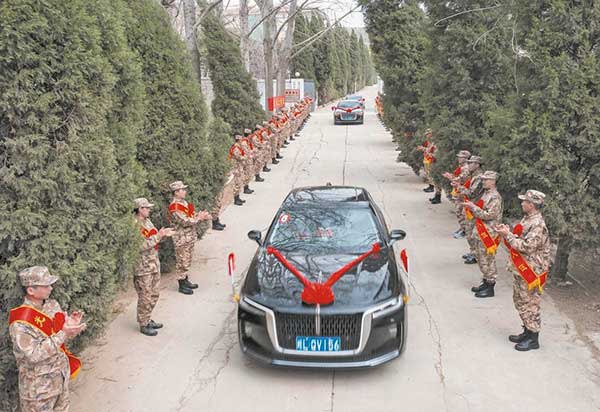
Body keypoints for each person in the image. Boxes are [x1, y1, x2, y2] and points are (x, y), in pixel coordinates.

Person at [9, 266, 86, 412]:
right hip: (39, 391)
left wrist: (71, 326)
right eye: (46, 285)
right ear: (31, 290)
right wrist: (64, 333)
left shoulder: (52, 305)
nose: (51, 288)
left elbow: (60, 338)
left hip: (60, 378)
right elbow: (34, 355)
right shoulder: (21, 321)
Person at [495, 190, 551, 351]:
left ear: (531, 205)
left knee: (530, 303)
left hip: (531, 270)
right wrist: (509, 233)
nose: (522, 203)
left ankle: (533, 338)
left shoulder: (538, 224)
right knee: (520, 300)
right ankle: (527, 331)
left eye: (524, 201)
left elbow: (527, 246)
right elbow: (521, 238)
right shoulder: (528, 219)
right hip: (523, 268)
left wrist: (508, 235)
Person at [134, 197, 174, 335]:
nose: (149, 210)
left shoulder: (147, 221)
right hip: (143, 267)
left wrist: (163, 235)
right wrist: (158, 236)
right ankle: (143, 324)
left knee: (154, 293)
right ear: (140, 209)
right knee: (145, 296)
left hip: (153, 263)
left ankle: (147, 318)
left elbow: (154, 238)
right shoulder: (134, 225)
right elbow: (140, 245)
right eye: (147, 208)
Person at [463, 171, 503, 298]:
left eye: (486, 180)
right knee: (481, 258)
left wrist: (472, 207)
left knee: (488, 259)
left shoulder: (495, 197)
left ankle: (490, 286)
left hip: (489, 233)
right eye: (483, 179)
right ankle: (485, 282)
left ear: (493, 181)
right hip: (481, 230)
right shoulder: (486, 193)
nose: (483, 181)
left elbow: (489, 215)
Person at [168, 181, 212, 295]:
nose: (185, 191)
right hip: (181, 238)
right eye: (182, 190)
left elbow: (191, 214)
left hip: (189, 236)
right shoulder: (175, 207)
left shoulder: (184, 203)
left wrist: (200, 215)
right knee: (182, 261)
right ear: (176, 192)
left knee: (187, 259)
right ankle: (181, 284)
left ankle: (185, 280)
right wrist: (199, 218)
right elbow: (185, 221)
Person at [454, 155, 485, 264]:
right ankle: (473, 252)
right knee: (469, 232)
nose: (469, 165)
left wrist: (459, 187)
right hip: (470, 207)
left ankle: (475, 255)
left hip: (474, 208)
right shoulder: (474, 176)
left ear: (477, 165)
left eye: (471, 163)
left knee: (472, 233)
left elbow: (472, 193)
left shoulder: (479, 178)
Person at [443, 150, 471, 238]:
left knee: (461, 212)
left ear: (466, 158)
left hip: (462, 193)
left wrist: (450, 177)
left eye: (461, 157)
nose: (459, 158)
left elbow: (460, 180)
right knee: (459, 211)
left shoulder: (465, 168)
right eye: (459, 157)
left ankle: (464, 230)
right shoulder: (461, 167)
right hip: (459, 192)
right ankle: (462, 228)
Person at [230, 134, 247, 206]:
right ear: (238, 139)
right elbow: (239, 157)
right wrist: (245, 157)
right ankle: (236, 199)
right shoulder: (236, 148)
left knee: (239, 183)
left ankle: (238, 197)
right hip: (236, 168)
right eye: (241, 139)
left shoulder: (238, 147)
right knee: (236, 183)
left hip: (238, 167)